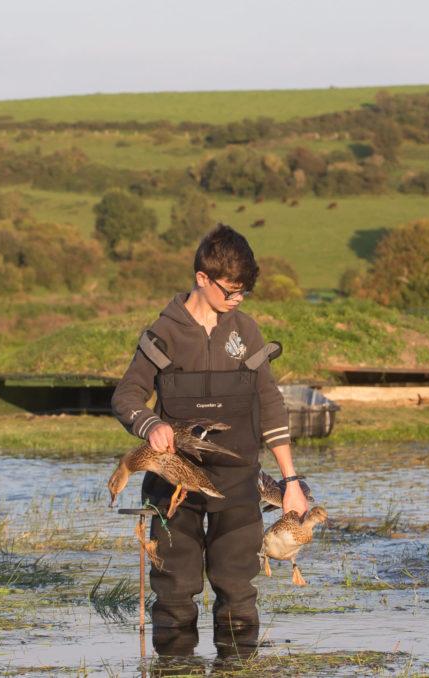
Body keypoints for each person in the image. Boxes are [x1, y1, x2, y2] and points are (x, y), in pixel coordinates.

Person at [111, 224, 309, 652]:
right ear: (202, 278)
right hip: (172, 482)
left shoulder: (247, 332)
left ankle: (238, 662)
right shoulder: (162, 334)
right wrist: (150, 424)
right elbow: (126, 396)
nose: (236, 300)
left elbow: (270, 403)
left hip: (238, 482)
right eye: (230, 291)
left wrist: (290, 481)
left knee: (236, 587)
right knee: (176, 590)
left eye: (243, 293)